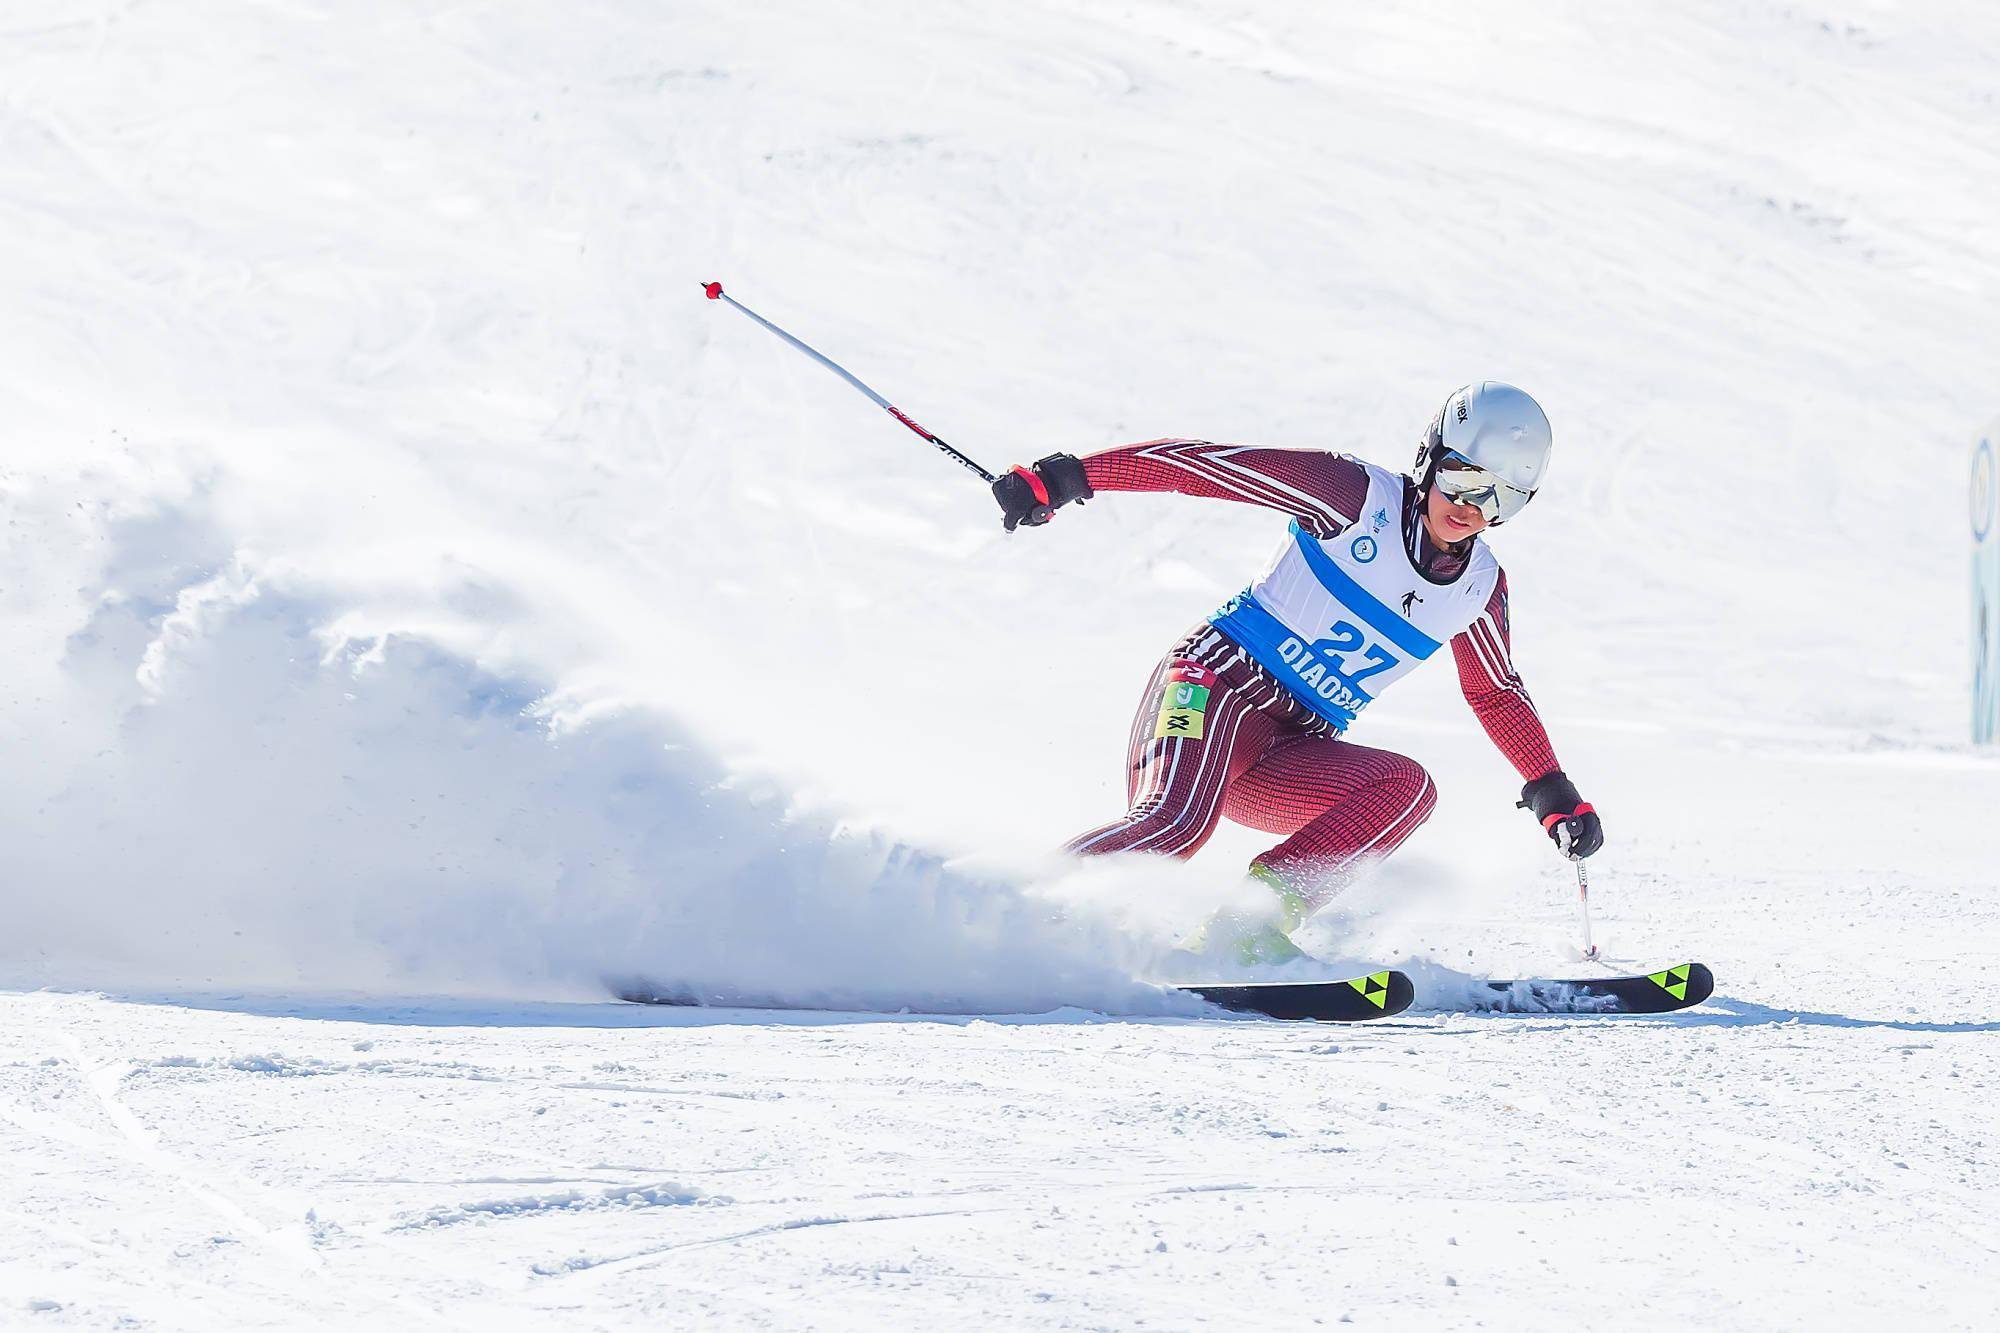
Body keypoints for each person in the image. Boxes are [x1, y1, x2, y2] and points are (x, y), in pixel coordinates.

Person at [991, 382, 1603, 964]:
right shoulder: (1355, 498)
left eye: (1503, 498)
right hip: (1214, 687)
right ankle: (1001, 925)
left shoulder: (1477, 587)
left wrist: (1551, 790)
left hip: (1291, 747)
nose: (1473, 509)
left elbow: (1495, 692)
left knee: (1404, 790)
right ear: (1430, 458)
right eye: (1463, 479)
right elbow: (1206, 467)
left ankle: (1245, 930)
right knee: (1170, 829)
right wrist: (1070, 478)